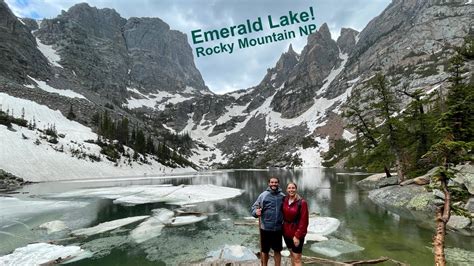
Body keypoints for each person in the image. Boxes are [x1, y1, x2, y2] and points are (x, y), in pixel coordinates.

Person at [251, 176, 285, 266]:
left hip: (278, 228)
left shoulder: (282, 196)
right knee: (265, 250)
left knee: (277, 250)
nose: (274, 184)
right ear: (269, 184)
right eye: (272, 182)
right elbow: (254, 207)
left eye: (275, 182)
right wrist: (256, 212)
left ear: (278, 183)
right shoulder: (263, 195)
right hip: (265, 228)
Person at [282, 182, 309, 266]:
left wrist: (297, 236)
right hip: (286, 233)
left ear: (296, 189)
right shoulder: (285, 200)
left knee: (297, 258)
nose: (291, 190)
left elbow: (304, 221)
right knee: (291, 255)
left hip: (296, 233)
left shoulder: (302, 203)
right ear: (286, 190)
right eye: (289, 188)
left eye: (293, 188)